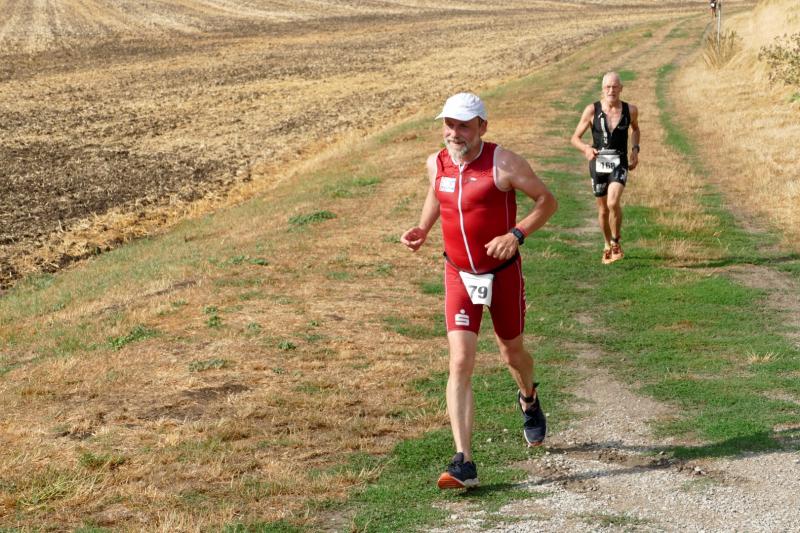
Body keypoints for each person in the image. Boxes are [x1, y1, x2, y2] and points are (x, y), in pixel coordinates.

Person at [401, 92, 557, 489]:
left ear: (482, 127)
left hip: (501, 274)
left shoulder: (503, 163)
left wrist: (516, 234)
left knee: (512, 353)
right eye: (449, 125)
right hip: (458, 274)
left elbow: (546, 201)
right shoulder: (436, 162)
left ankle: (528, 398)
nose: (454, 133)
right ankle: (463, 461)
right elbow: (436, 193)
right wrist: (423, 228)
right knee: (460, 361)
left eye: (464, 126)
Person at [570, 71, 640, 264]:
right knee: (602, 210)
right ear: (602, 89)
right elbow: (574, 138)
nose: (611, 90)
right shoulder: (592, 110)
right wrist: (586, 148)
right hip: (598, 162)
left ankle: (616, 242)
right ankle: (607, 244)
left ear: (621, 88)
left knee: (612, 202)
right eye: (608, 87)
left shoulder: (630, 110)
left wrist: (635, 150)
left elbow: (635, 129)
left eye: (615, 87)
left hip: (619, 161)